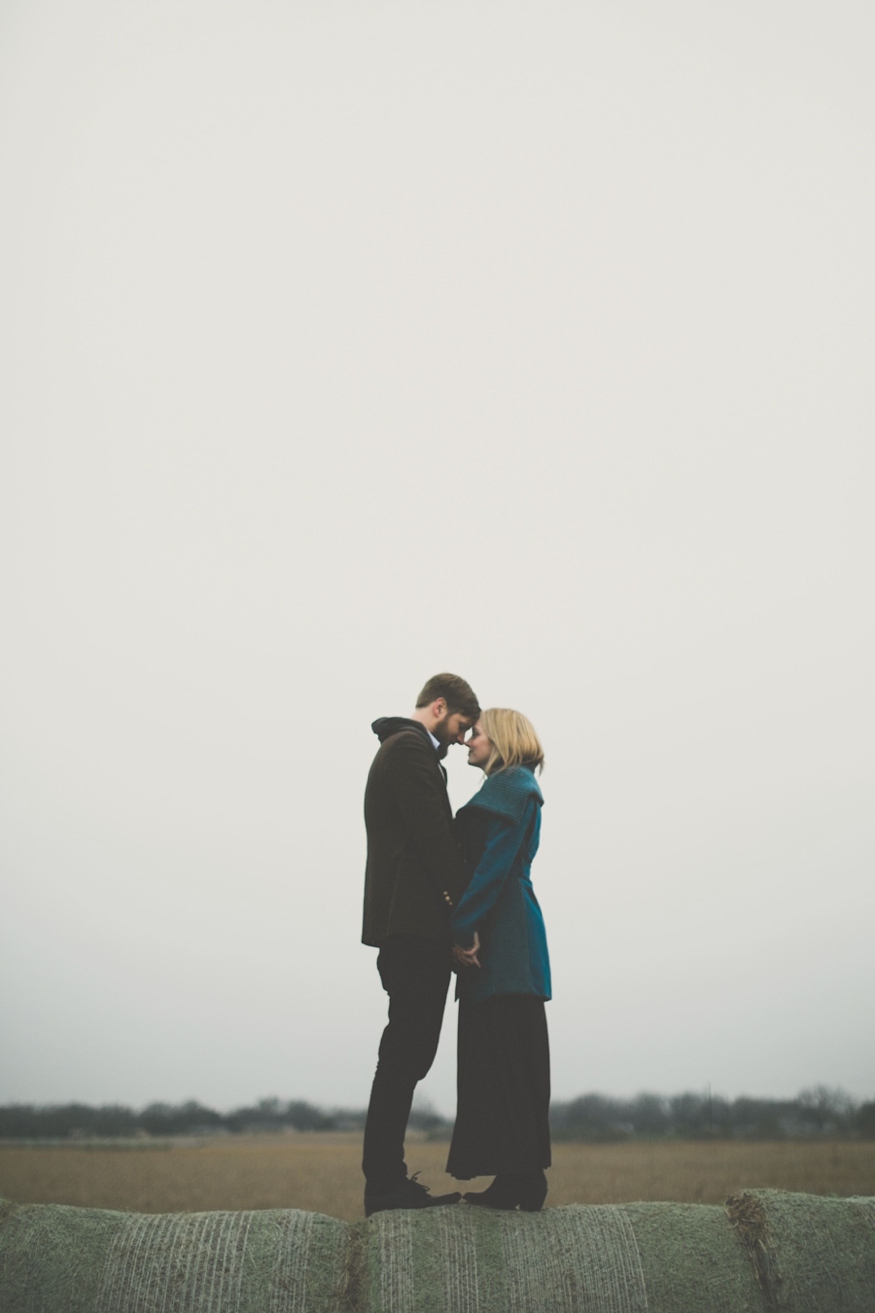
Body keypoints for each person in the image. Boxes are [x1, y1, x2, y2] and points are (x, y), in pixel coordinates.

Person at [361, 672, 480, 1216]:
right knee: (405, 1056)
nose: (462, 738)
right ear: (439, 706)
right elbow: (435, 840)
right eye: (461, 724)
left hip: (406, 928)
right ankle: (384, 1183)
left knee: (407, 1055)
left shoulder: (402, 749)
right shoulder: (410, 751)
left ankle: (385, 1179)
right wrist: (464, 920)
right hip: (414, 929)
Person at [448, 708, 551, 1211]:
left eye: (476, 733)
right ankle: (517, 1176)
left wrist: (462, 926)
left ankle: (522, 1179)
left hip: (504, 933)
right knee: (504, 1053)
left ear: (502, 738)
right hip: (506, 928)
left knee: (507, 1051)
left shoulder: (512, 786)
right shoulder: (513, 786)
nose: (468, 740)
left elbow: (492, 867)